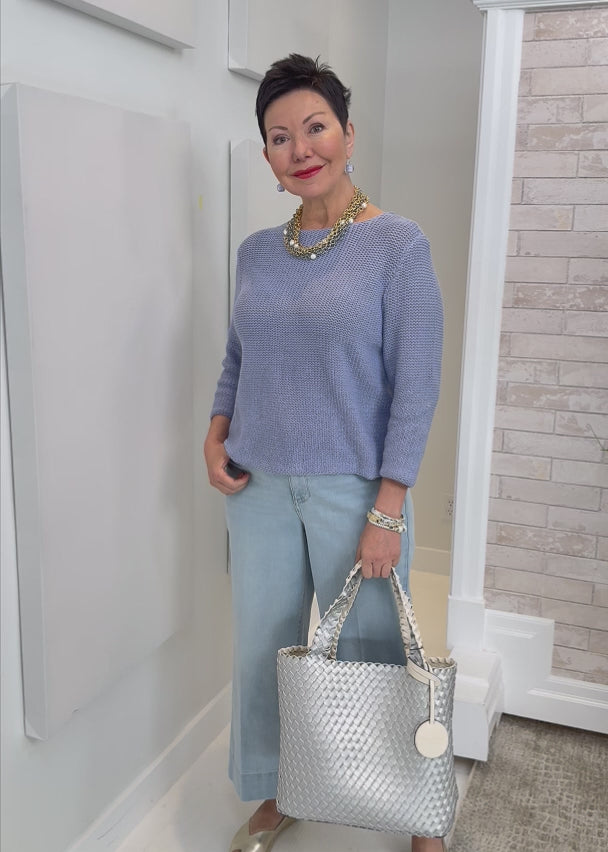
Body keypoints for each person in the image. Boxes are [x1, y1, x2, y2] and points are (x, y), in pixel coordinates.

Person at [204, 54, 446, 852]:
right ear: (267, 157)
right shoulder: (256, 253)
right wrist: (216, 428)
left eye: (315, 128)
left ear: (348, 132)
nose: (300, 148)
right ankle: (279, 790)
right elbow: (239, 356)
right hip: (259, 488)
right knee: (266, 650)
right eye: (280, 137)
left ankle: (412, 804)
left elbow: (416, 385)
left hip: (355, 490)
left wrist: (389, 509)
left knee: (377, 652)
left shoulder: (398, 247)